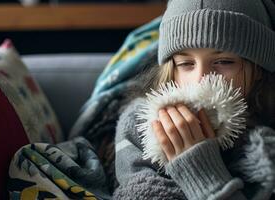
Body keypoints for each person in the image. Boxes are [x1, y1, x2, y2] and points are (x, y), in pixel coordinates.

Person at [113, 0, 275, 199]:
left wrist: (204, 174)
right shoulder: (140, 127)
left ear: (258, 68)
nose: (200, 79)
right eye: (186, 63)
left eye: (224, 61)